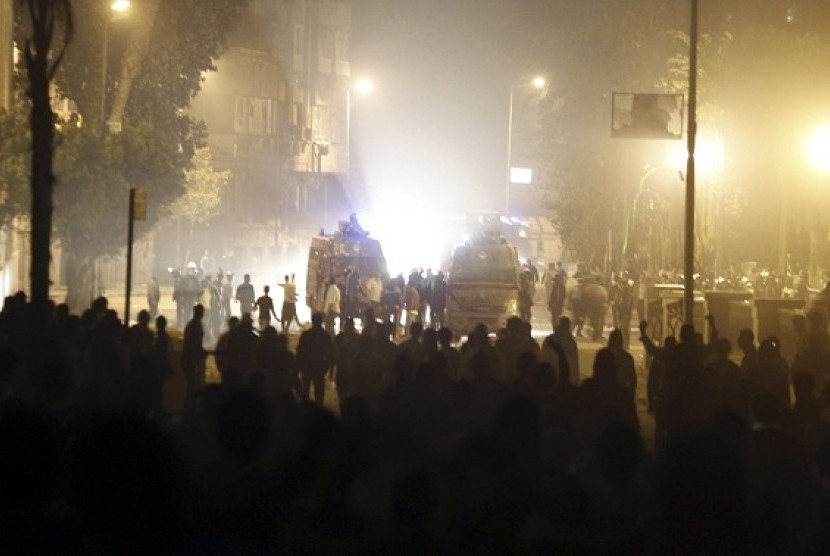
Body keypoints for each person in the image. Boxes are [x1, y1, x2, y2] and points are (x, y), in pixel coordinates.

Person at [296, 312, 333, 405]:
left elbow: (300, 351)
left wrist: (299, 366)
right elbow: (329, 353)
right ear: (321, 321)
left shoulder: (306, 335)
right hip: (319, 367)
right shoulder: (325, 336)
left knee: (305, 391)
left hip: (307, 366)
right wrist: (327, 366)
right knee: (319, 392)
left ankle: (304, 412)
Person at [181, 304, 207, 410]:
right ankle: (190, 408)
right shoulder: (195, 325)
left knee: (193, 385)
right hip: (191, 358)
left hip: (190, 357)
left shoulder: (193, 324)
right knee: (193, 385)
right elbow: (194, 343)